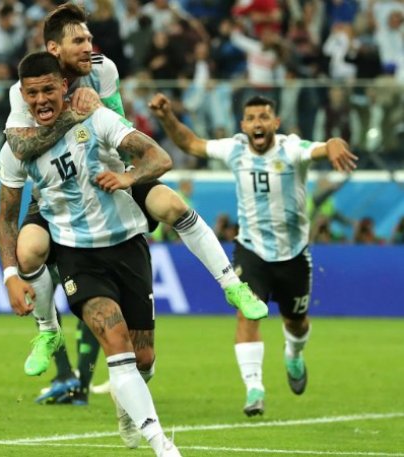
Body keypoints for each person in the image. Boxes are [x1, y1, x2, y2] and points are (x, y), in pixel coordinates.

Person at [3, 2, 266, 417]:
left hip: (110, 173)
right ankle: (47, 331)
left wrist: (125, 169)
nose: (89, 46)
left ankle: (232, 285)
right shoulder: (29, 86)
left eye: (90, 38)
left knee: (171, 204)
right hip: (57, 190)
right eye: (79, 40)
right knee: (29, 248)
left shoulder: (103, 69)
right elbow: (20, 146)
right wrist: (73, 114)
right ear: (54, 49)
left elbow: (118, 128)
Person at [0, 51, 180, 457]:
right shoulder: (16, 150)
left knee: (143, 358)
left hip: (127, 244)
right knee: (116, 344)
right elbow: (7, 217)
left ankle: (127, 406)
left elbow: (159, 157)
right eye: (32, 93)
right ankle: (163, 446)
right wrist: (10, 274)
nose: (41, 100)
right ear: (22, 96)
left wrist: (129, 177)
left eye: (48, 90)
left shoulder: (96, 118)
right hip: (76, 256)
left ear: (64, 86)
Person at [148, 92, 358, 416]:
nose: (257, 123)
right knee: (247, 313)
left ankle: (294, 353)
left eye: (263, 117)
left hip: (293, 254)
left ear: (275, 122)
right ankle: (254, 389)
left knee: (297, 323)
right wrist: (167, 118)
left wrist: (333, 144)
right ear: (243, 125)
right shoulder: (235, 149)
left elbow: (321, 148)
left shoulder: (290, 149)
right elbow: (190, 144)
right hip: (251, 249)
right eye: (251, 118)